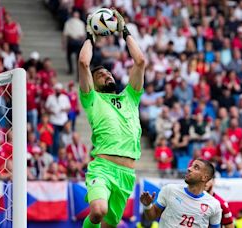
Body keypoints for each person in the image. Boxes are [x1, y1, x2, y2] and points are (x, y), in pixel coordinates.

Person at [79, 9, 146, 228]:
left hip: (127, 174)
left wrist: (124, 30)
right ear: (94, 83)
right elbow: (83, 63)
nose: (106, 75)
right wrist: (91, 35)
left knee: (108, 225)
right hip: (103, 167)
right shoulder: (92, 99)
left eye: (108, 73)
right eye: (100, 75)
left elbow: (140, 61)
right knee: (98, 211)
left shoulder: (130, 97)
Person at [140, 159, 222, 228]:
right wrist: (147, 205)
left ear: (204, 177)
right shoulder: (170, 189)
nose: (189, 168)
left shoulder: (214, 205)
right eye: (191, 165)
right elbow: (151, 216)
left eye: (196, 167)